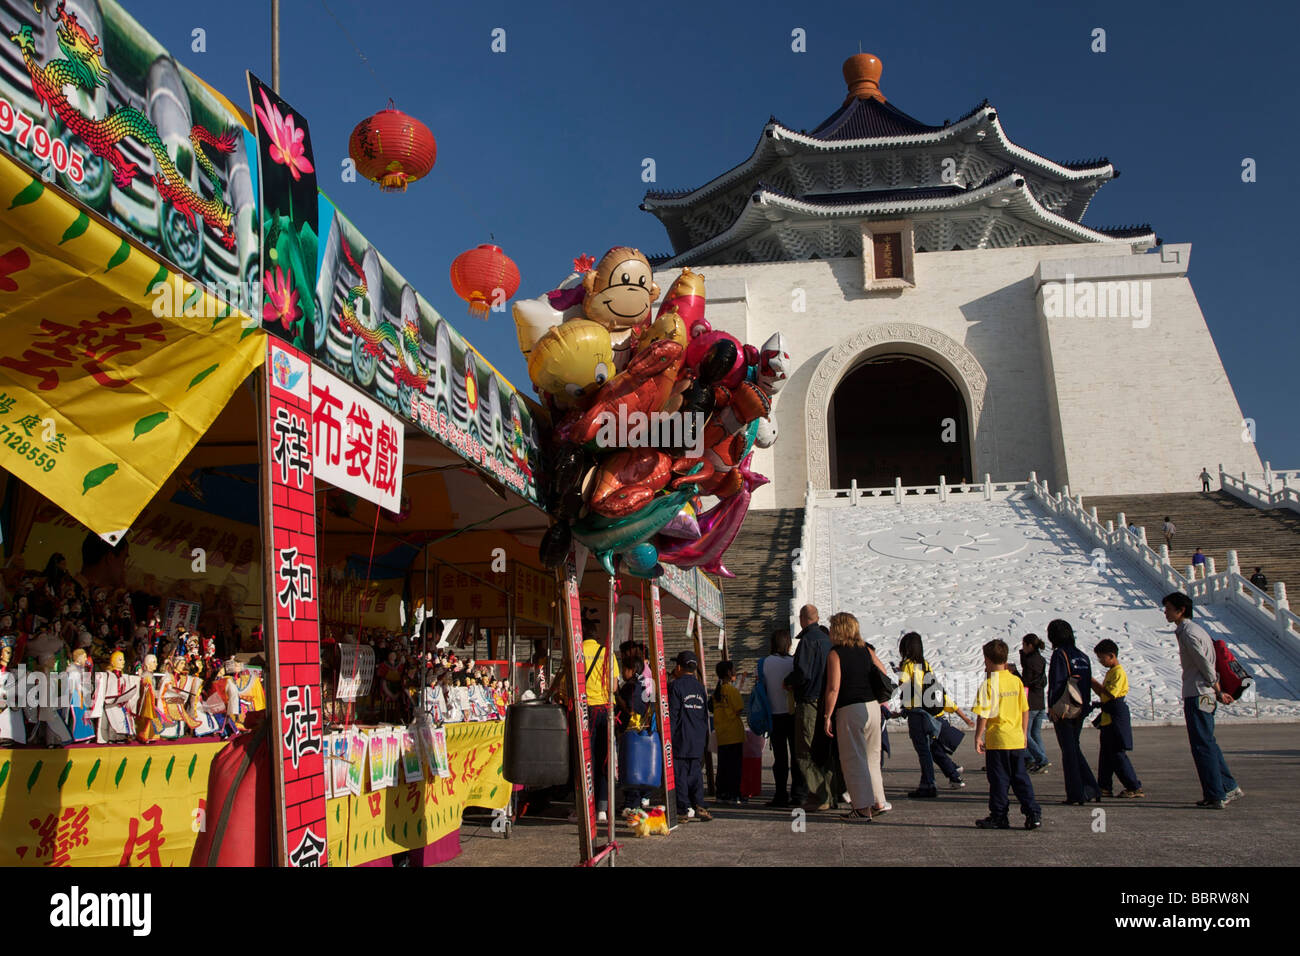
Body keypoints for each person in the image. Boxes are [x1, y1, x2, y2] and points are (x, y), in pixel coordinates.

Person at [1162, 592, 1243, 809]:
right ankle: (1227, 785)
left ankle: (1216, 794)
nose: (1165, 612)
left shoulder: (1188, 633)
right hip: (1203, 692)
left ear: (1181, 611)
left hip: (1198, 693)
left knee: (1201, 745)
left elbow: (1204, 664)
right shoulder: (1196, 630)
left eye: (1169, 608)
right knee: (1208, 742)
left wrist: (1217, 688)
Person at [822, 612, 891, 821]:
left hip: (850, 708)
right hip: (872, 707)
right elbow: (884, 673)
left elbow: (834, 688)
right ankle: (879, 801)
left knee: (853, 759)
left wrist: (827, 715)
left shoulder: (836, 654)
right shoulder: (866, 649)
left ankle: (862, 808)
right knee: (872, 757)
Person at [972, 639, 1041, 830]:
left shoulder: (989, 684)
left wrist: (978, 736)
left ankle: (999, 815)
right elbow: (1024, 709)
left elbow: (984, 714)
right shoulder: (1016, 681)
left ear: (987, 660)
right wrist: (1024, 733)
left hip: (998, 740)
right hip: (1016, 738)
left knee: (999, 780)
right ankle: (1032, 813)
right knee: (1020, 778)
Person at [897, 631, 975, 798]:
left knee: (924, 752)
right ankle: (953, 775)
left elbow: (910, 691)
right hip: (930, 713)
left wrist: (901, 679)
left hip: (917, 714)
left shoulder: (908, 665)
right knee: (932, 749)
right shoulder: (925, 665)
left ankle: (928, 784)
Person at [1046, 619, 1102, 805]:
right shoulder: (1082, 656)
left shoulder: (1060, 655)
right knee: (1074, 748)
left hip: (1065, 709)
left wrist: (1053, 707)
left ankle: (1077, 792)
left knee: (1068, 751)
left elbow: (1057, 683)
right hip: (1080, 707)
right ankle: (1090, 787)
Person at [788, 604, 836, 810]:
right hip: (826, 702)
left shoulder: (807, 641)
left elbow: (803, 672)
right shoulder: (827, 640)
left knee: (804, 751)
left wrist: (789, 681)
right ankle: (829, 793)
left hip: (809, 701)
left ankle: (819, 796)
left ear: (802, 618)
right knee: (823, 751)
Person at [1090, 639, 1144, 798]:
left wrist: (1093, 681)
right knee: (1106, 754)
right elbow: (1102, 693)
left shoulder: (1118, 672)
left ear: (1112, 656)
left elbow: (1110, 693)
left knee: (1117, 754)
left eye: (1102, 658)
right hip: (1108, 716)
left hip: (1116, 715)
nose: (1101, 661)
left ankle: (1133, 786)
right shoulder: (1111, 672)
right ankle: (1104, 786)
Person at [668, 651, 712, 821]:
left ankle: (683, 808)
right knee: (695, 773)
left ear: (678, 667)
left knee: (680, 774)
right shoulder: (700, 687)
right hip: (697, 737)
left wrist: (667, 738)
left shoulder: (675, 687)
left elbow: (673, 715)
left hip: (681, 737)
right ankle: (699, 804)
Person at [760, 629, 799, 807]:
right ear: (788, 644)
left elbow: (761, 688)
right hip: (793, 714)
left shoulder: (764, 663)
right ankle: (798, 793)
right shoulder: (794, 663)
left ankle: (781, 793)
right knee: (797, 756)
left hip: (774, 715)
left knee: (780, 758)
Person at [616, 644, 654, 819]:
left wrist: (617, 696)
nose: (623, 672)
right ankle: (636, 801)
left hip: (631, 731)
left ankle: (631, 804)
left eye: (624, 668)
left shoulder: (630, 687)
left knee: (630, 767)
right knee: (638, 768)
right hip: (643, 730)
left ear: (631, 670)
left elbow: (630, 709)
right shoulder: (646, 683)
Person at [711, 660, 745, 803]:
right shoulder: (731, 690)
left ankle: (721, 793)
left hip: (722, 734)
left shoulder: (716, 692)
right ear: (729, 673)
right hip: (734, 734)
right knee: (735, 767)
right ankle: (734, 794)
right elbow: (739, 708)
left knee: (723, 766)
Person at [1020, 633, 1050, 773]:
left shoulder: (1030, 661)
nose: (1022, 648)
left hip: (1030, 702)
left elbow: (1025, 681)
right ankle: (1038, 759)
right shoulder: (1041, 659)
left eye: (1024, 645)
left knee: (1025, 733)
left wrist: (1015, 673)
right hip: (1040, 702)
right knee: (1035, 733)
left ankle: (1040, 759)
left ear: (1029, 645)